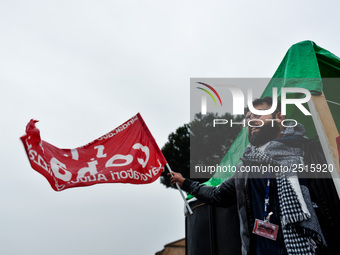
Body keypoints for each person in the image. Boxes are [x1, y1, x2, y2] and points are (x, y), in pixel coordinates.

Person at [169, 97, 328, 255]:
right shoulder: (245, 169)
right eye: (248, 118)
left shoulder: (312, 153)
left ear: (279, 118)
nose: (251, 121)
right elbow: (218, 195)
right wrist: (186, 183)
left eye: (258, 115)